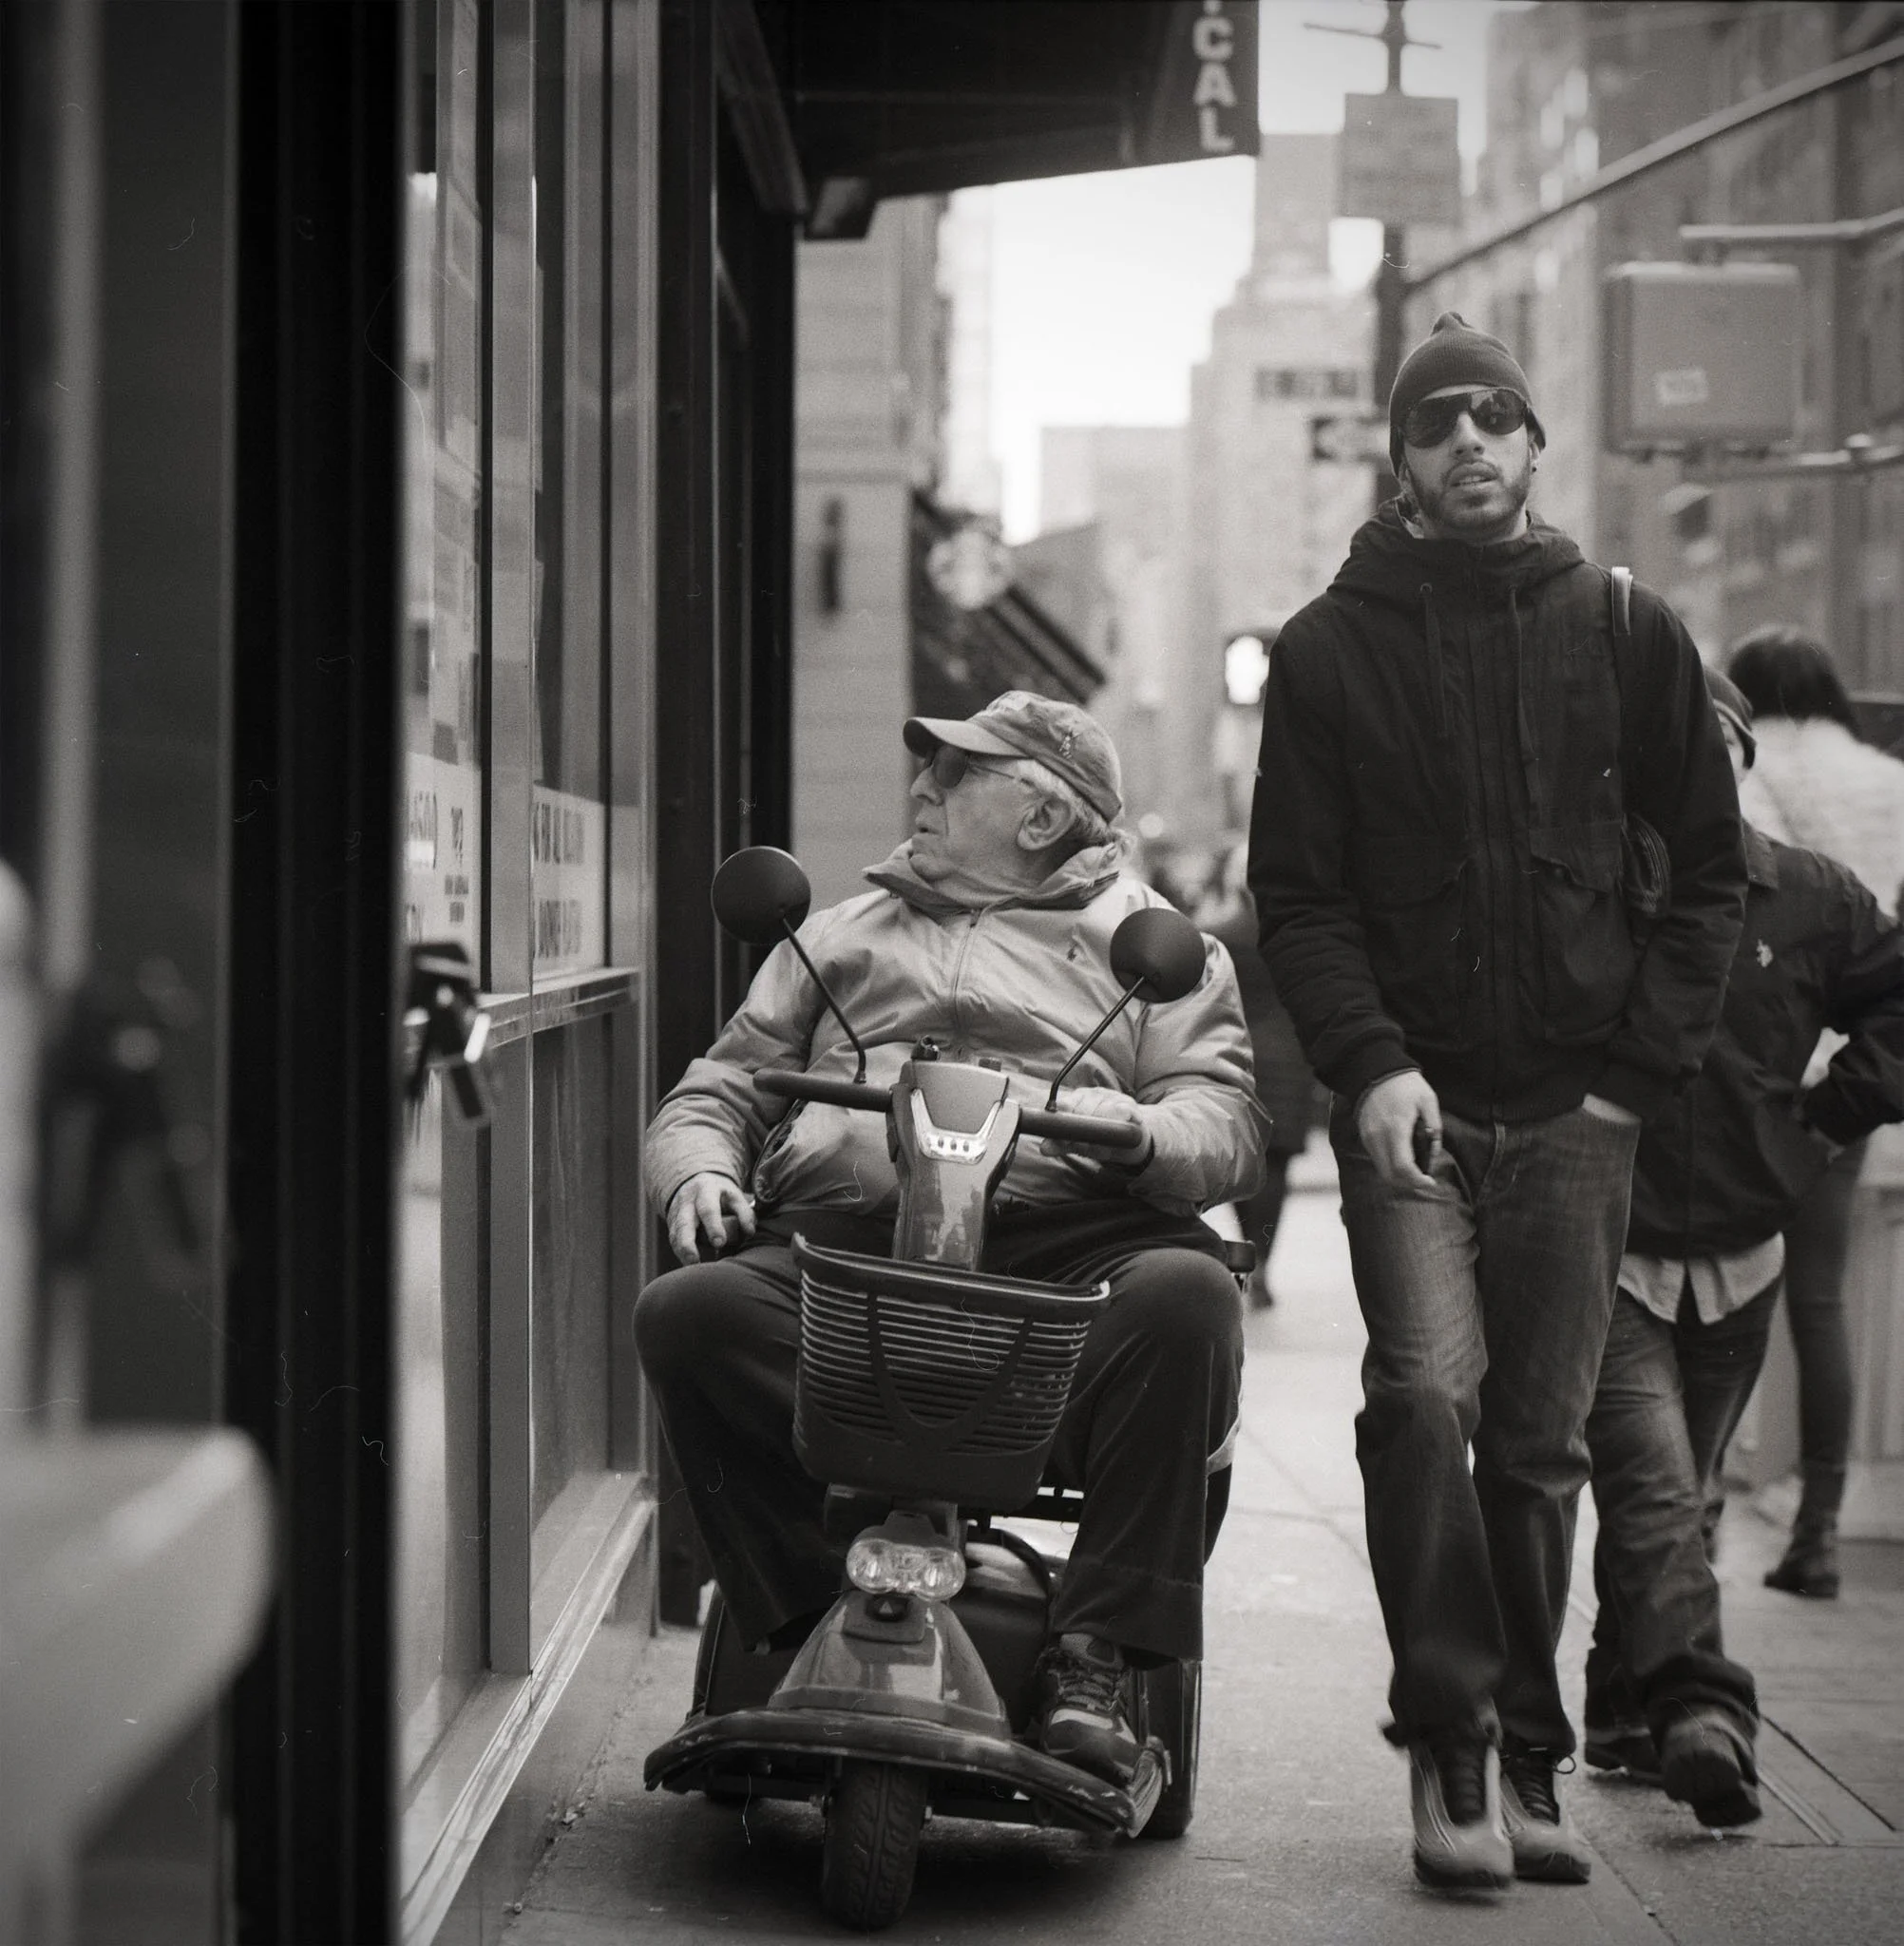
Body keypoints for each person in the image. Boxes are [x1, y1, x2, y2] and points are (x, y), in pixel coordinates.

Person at [1248, 312, 1745, 1892]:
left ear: (1532, 444)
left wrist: (1623, 1085)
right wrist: (1368, 1060)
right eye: (1433, 421)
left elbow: (1710, 877)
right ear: (1396, 461)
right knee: (1417, 1402)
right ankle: (1450, 1731)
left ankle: (1527, 1749)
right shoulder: (1325, 651)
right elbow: (1298, 897)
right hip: (1408, 1102)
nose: (1466, 438)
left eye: (1493, 414)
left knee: (1533, 1448)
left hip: (1573, 1116)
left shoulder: (1621, 628)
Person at [634, 691, 1263, 1786]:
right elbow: (720, 1084)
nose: (920, 790)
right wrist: (697, 1167)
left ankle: (1095, 1654)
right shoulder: (836, 930)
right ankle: (795, 1613)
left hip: (1064, 1253)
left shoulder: (1165, 949)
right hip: (853, 1247)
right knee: (686, 1310)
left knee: (1188, 1299)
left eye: (955, 774)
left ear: (1038, 818)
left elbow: (1224, 1119)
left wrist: (1145, 1128)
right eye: (927, 770)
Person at [1582, 669, 1904, 1829]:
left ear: (1742, 759)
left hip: (1744, 1249)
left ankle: (1623, 1704)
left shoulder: (1815, 897)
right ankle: (1704, 1712)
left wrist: (1828, 1114)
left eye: (1709, 741)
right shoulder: (1589, 897)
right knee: (1660, 1487)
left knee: (1686, 1491)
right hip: (1607, 1248)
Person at [1726, 625, 1904, 1596]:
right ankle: (1821, 1529)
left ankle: (1698, 1509)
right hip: (1851, 1077)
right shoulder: (1888, 782)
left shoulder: (1741, 771)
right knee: (1820, 1301)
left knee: (1710, 1289)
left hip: (1749, 1066)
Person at [1197, 846, 1320, 1306]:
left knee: (1242, 1169)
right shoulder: (1297, 935)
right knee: (1277, 1169)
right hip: (1290, 1064)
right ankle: (1264, 1259)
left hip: (1236, 1063)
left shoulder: (1218, 935)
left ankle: (1247, 1256)